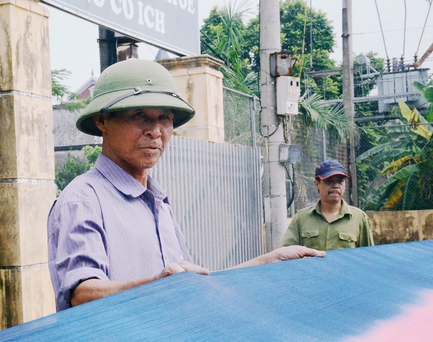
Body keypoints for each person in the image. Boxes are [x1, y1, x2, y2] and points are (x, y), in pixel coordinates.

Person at [48, 59, 324, 312]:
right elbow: (82, 293)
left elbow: (191, 285)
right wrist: (158, 283)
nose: (155, 131)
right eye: (139, 115)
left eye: (164, 118)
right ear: (102, 120)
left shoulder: (156, 200)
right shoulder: (84, 199)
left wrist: (267, 263)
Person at [282, 160, 374, 251]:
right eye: (329, 181)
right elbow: (286, 253)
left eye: (340, 181)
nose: (335, 186)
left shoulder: (359, 218)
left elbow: (369, 256)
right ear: (317, 184)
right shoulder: (302, 218)